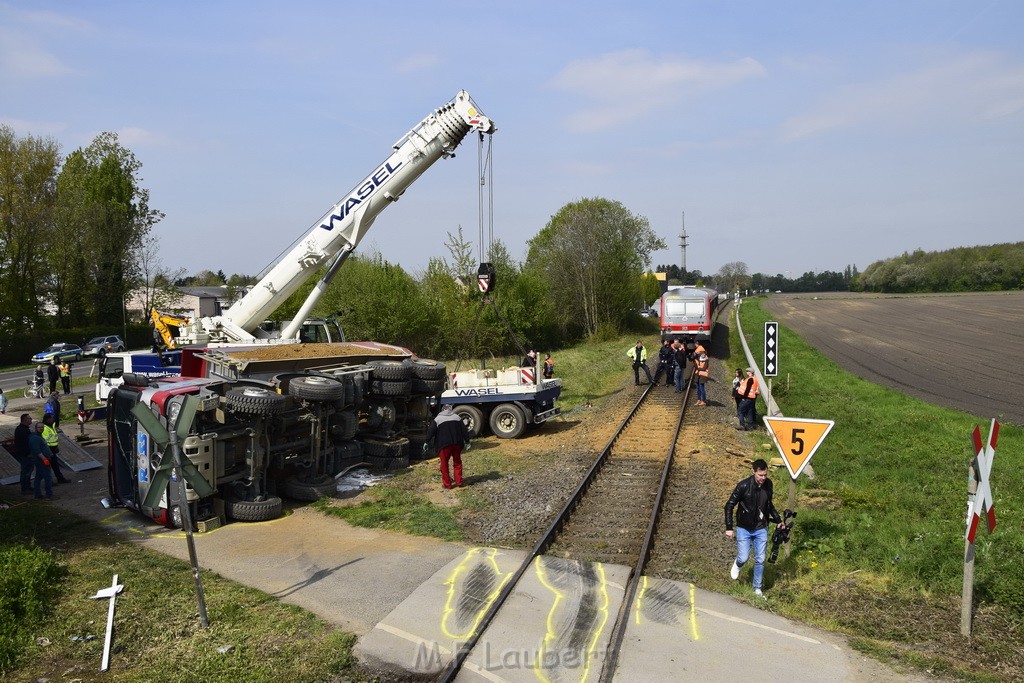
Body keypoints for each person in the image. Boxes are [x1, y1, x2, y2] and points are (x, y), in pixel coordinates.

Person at [724, 458, 782, 598]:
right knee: (744, 557)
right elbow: (729, 505)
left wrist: (778, 520)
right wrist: (729, 527)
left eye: (765, 475)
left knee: (760, 559)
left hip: (761, 528)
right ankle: (738, 564)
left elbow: (768, 505)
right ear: (753, 471)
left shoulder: (768, 485)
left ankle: (757, 589)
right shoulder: (743, 486)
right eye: (760, 475)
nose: (763, 478)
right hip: (744, 527)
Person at [426, 404, 469, 489]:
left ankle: (447, 484)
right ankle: (459, 482)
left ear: (442, 410)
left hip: (443, 445)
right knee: (457, 462)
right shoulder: (457, 417)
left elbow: (431, 431)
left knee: (444, 464)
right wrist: (467, 441)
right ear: (450, 410)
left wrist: (426, 441)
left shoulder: (437, 419)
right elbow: (464, 430)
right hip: (456, 444)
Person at [29, 421, 57, 500]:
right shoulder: (35, 438)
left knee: (38, 477)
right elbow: (37, 450)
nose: (41, 429)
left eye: (42, 427)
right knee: (47, 477)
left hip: (42, 459)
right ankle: (49, 495)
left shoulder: (39, 436)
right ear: (35, 428)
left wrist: (50, 453)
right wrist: (44, 459)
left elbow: (43, 447)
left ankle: (37, 495)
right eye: (39, 427)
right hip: (41, 461)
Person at [41, 413, 70, 484]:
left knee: (55, 465)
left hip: (53, 448)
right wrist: (48, 450)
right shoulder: (44, 428)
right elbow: (45, 440)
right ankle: (49, 481)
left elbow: (54, 437)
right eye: (51, 418)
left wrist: (56, 446)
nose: (53, 419)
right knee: (48, 466)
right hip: (48, 449)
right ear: (48, 419)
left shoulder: (52, 425)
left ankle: (60, 479)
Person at [14, 413, 35, 494]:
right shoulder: (22, 430)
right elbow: (24, 443)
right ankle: (25, 488)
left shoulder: (24, 429)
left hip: (26, 453)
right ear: (25, 420)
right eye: (29, 418)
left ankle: (27, 486)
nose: (31, 419)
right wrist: (28, 453)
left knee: (28, 470)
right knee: (26, 471)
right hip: (25, 454)